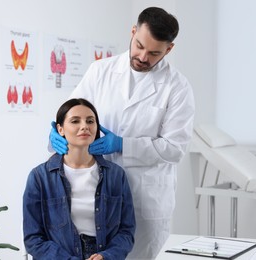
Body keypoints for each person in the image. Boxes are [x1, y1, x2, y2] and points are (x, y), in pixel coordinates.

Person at [50, 7, 195, 259]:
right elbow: (70, 113)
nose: (142, 56)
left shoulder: (178, 88)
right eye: (139, 45)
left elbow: (175, 148)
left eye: (153, 53)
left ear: (168, 49)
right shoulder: (100, 71)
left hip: (145, 201)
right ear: (133, 32)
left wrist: (122, 144)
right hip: (96, 192)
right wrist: (55, 132)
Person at [23, 98, 136, 260]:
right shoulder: (40, 177)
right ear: (60, 130)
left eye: (90, 121)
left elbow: (127, 230)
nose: (85, 126)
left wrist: (107, 256)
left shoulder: (116, 175)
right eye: (75, 121)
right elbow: (33, 239)